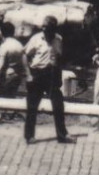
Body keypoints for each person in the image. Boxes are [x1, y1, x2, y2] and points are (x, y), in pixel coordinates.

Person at [22, 15, 69, 144]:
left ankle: (62, 135)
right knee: (32, 106)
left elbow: (60, 57)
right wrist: (28, 75)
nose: (44, 30)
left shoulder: (58, 39)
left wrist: (58, 70)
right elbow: (25, 56)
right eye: (43, 27)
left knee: (58, 105)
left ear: (53, 29)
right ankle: (29, 136)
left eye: (47, 28)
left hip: (52, 74)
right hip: (37, 73)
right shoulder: (36, 39)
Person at [0, 20, 29, 98]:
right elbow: (24, 61)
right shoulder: (19, 45)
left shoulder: (4, 46)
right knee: (11, 98)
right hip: (17, 77)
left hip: (6, 77)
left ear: (2, 33)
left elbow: (0, 65)